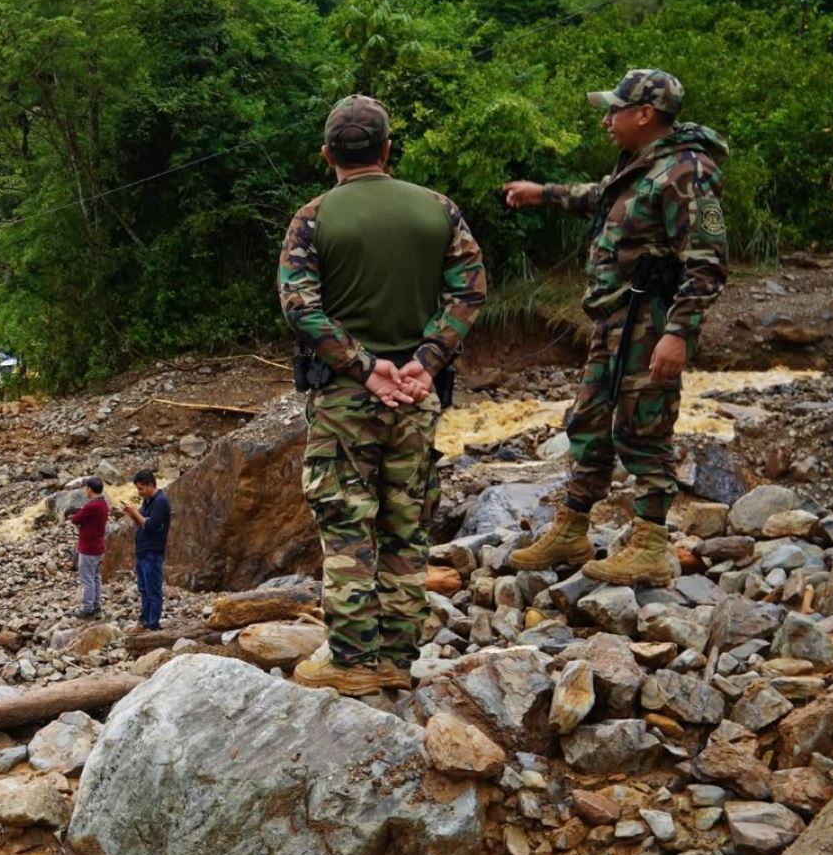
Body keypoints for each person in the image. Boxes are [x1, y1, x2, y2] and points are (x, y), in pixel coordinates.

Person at [278, 94, 487, 696]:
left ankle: (351, 662)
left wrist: (365, 367)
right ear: (388, 149)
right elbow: (469, 291)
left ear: (327, 155)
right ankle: (397, 655)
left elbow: (301, 308)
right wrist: (425, 361)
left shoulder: (313, 218)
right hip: (417, 399)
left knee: (347, 524)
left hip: (345, 400)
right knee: (405, 525)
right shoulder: (437, 209)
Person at [503, 70, 727, 586]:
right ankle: (573, 527)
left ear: (644, 114)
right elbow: (599, 195)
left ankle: (650, 542)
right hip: (612, 318)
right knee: (587, 419)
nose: (606, 120)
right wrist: (542, 193)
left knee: (643, 426)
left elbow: (708, 263)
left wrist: (678, 334)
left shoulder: (689, 171)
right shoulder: (641, 166)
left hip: (650, 321)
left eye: (614, 111)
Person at [119, 470, 171, 631]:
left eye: (141, 489)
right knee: (143, 588)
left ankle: (153, 624)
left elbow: (152, 525)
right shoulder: (148, 501)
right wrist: (132, 514)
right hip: (143, 551)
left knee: (153, 589)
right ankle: (144, 620)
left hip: (153, 552)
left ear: (150, 485)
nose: (139, 492)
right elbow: (141, 523)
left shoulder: (160, 502)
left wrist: (136, 513)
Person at [67, 477, 110, 618]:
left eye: (87, 488)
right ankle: (96, 604)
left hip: (88, 548)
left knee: (87, 579)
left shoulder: (91, 506)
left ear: (90, 490)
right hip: (99, 547)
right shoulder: (104, 504)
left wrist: (78, 514)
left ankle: (87, 607)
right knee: (95, 577)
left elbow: (76, 519)